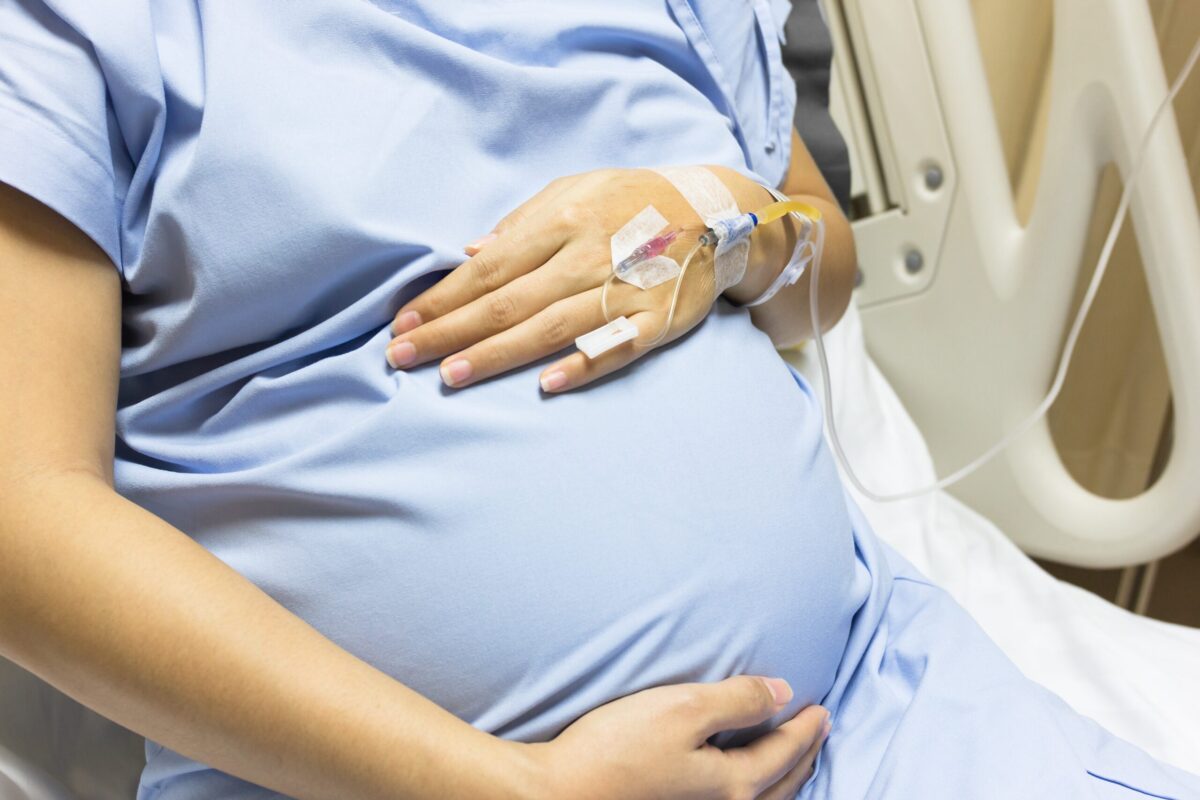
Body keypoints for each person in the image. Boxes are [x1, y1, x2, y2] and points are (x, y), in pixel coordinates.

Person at [1, 2, 1197, 799]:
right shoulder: (80, 29)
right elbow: (21, 514)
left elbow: (818, 263)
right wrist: (505, 788)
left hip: (870, 711)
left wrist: (724, 222)